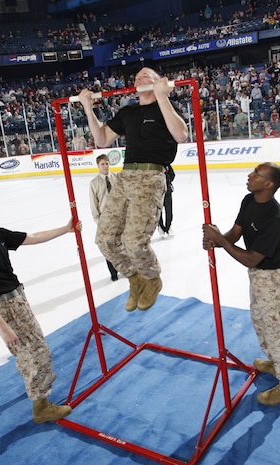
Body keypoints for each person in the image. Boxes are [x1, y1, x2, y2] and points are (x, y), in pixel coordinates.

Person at [0, 191, 81, 424]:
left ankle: (37, 379)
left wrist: (66, 229)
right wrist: (3, 328)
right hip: (7, 307)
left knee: (31, 352)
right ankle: (41, 406)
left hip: (18, 300)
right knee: (36, 354)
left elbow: (32, 237)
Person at [77, 67, 188, 312]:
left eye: (146, 76)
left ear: (159, 82)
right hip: (126, 176)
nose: (139, 80)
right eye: (137, 78)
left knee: (135, 242)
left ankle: (152, 278)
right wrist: (88, 108)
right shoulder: (128, 111)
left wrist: (162, 97)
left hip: (151, 175)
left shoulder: (165, 107)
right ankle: (134, 278)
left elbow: (181, 135)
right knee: (104, 239)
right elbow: (102, 139)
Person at [202, 162, 280, 406]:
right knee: (260, 322)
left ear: (269, 184)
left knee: (278, 333)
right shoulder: (249, 200)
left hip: (274, 279)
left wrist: (220, 242)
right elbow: (237, 231)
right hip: (258, 277)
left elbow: (252, 258)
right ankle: (275, 363)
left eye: (256, 174)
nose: (249, 175)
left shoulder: (276, 217)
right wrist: (218, 239)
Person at [89, 154, 119, 281]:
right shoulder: (94, 183)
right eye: (102, 164)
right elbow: (93, 204)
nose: (105, 166)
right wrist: (98, 221)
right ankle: (113, 273)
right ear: (98, 166)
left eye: (107, 163)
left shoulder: (116, 177)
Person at [158, 164, 175, 238]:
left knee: (169, 211)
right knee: (158, 211)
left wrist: (166, 180)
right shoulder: (153, 165)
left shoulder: (167, 165)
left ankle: (168, 227)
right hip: (157, 192)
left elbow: (172, 175)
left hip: (167, 191)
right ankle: (160, 227)